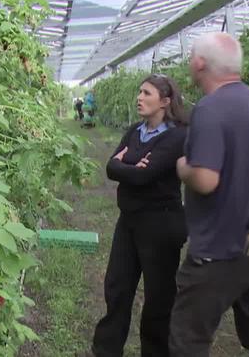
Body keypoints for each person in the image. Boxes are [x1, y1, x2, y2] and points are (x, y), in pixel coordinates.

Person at [170, 32, 249, 356]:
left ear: (199, 63)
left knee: (189, 336)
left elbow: (206, 179)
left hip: (221, 249)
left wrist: (183, 167)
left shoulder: (210, 108)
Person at [92, 74, 189, 357]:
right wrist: (131, 168)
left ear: (166, 101)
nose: (139, 97)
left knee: (159, 298)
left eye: (147, 93)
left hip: (160, 225)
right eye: (139, 92)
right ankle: (106, 350)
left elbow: (145, 175)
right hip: (130, 222)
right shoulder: (136, 131)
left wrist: (129, 166)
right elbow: (111, 167)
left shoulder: (177, 136)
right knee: (117, 288)